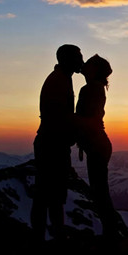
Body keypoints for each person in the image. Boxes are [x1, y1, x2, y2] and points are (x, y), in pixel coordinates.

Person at [31, 44, 84, 242]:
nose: (82, 61)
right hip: (52, 144)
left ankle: (48, 239)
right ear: (68, 59)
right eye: (78, 57)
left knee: (49, 194)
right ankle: (48, 240)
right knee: (48, 195)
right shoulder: (59, 81)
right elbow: (58, 117)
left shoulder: (62, 79)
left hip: (52, 142)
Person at [75, 54, 126, 240]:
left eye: (88, 64)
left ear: (95, 69)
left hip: (96, 145)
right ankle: (111, 234)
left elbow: (90, 119)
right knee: (99, 192)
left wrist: (69, 119)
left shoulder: (90, 89)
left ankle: (111, 236)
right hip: (98, 144)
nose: (85, 65)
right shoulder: (94, 88)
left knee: (100, 193)